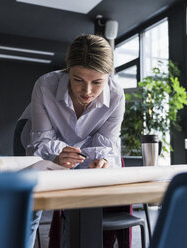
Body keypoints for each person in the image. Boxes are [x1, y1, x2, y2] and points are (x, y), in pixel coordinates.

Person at [19, 34, 125, 247]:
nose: (87, 91)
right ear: (67, 71)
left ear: (108, 77)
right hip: (38, 144)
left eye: (97, 82)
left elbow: (105, 145)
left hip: (83, 150)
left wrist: (103, 160)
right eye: (78, 80)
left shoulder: (116, 96)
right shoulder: (45, 85)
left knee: (78, 206)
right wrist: (58, 154)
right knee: (30, 205)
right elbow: (41, 141)